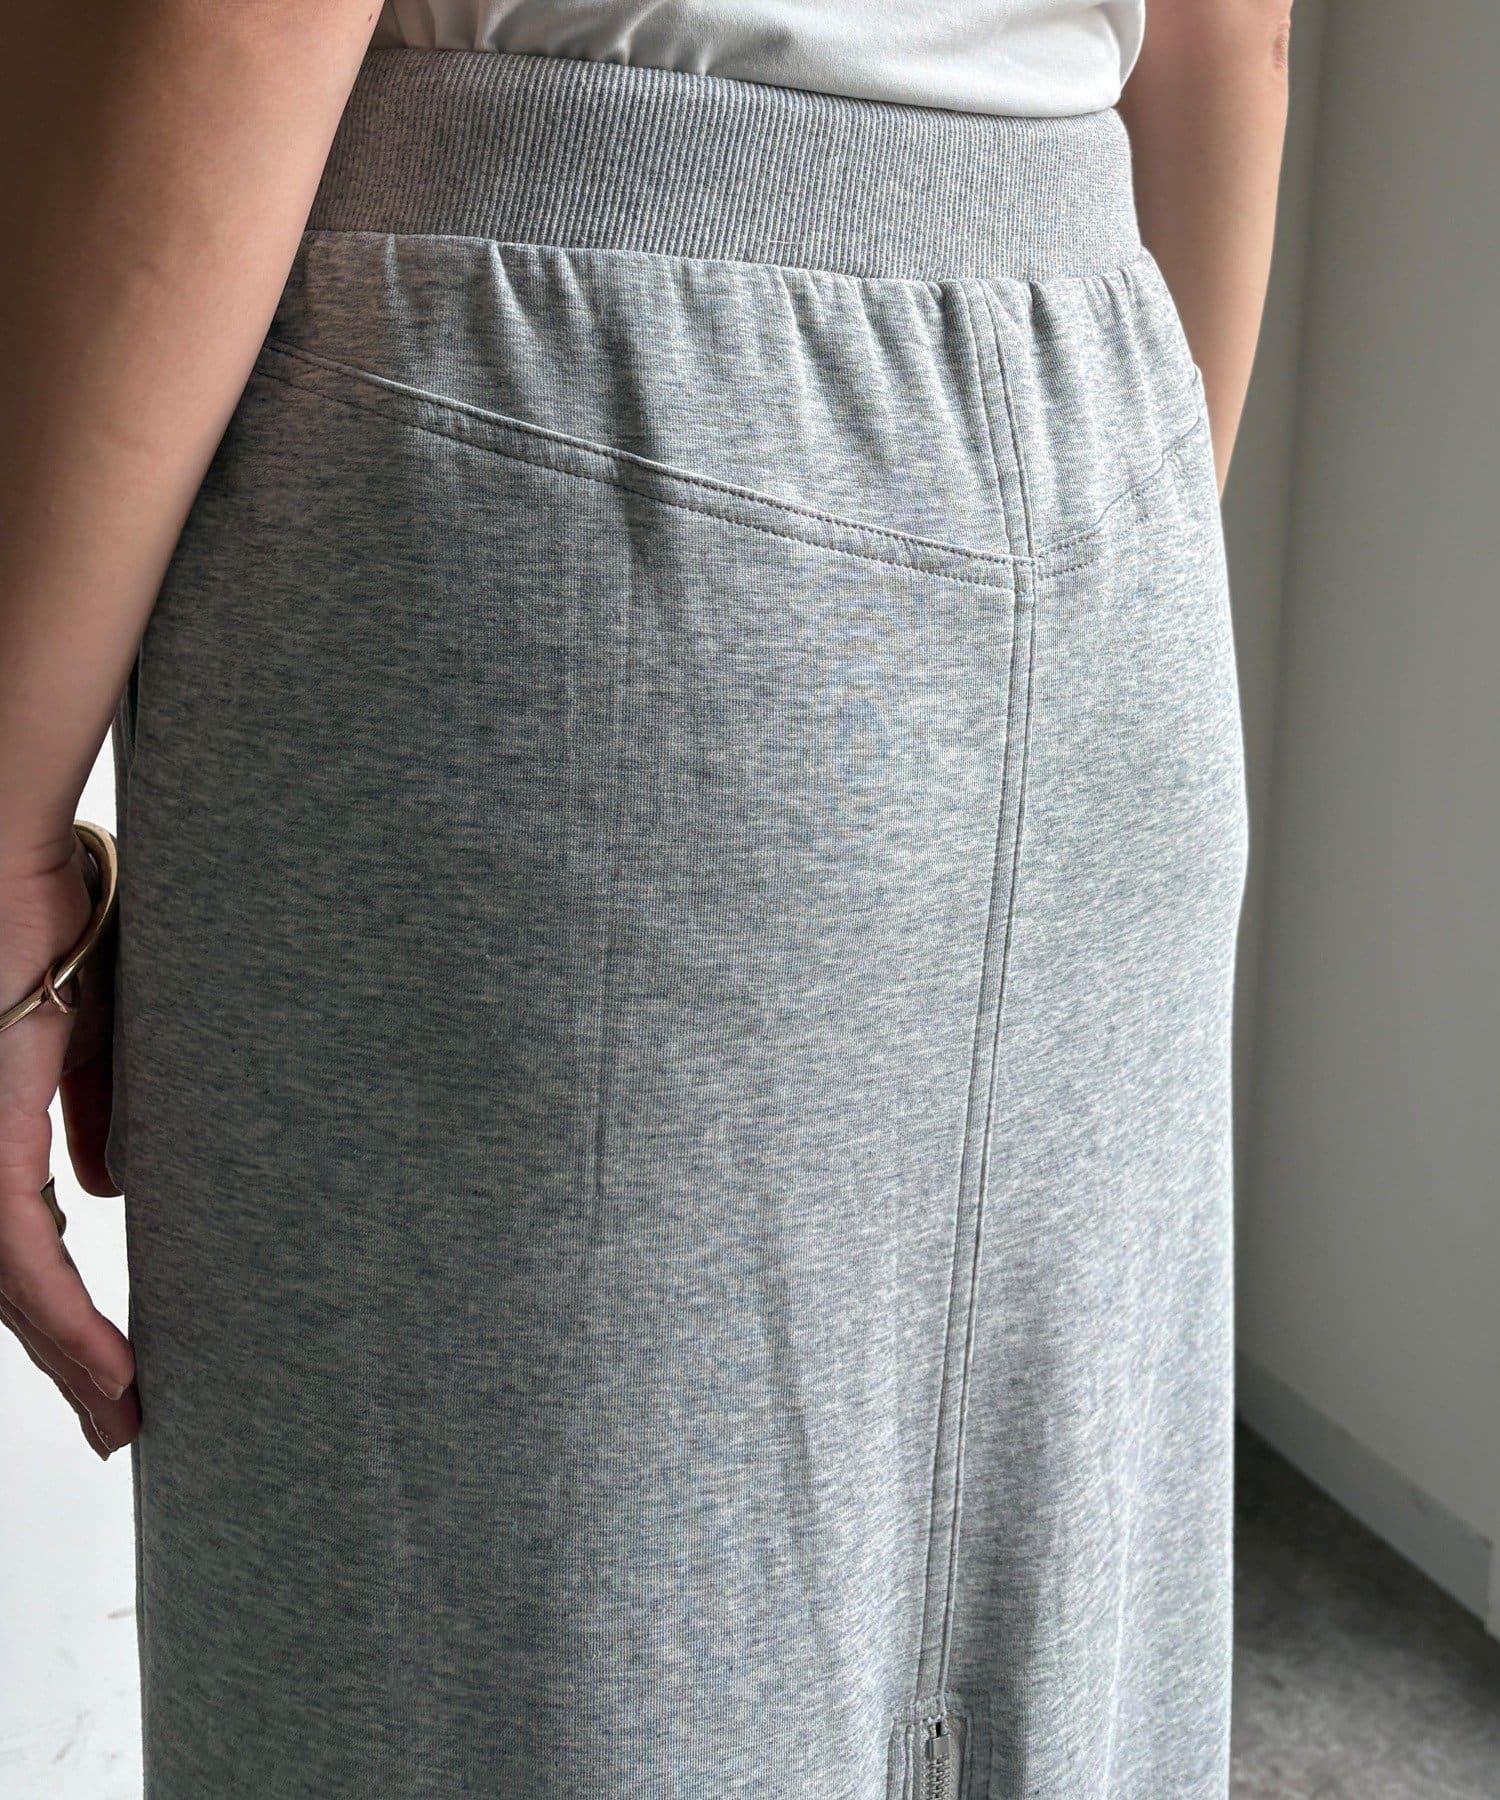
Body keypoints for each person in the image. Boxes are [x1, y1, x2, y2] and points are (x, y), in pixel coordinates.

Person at [0, 0, 1290, 1792]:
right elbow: (1236, 42)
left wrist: (10, 848)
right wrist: (1093, 555)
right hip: (1108, 449)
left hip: (561, 436)